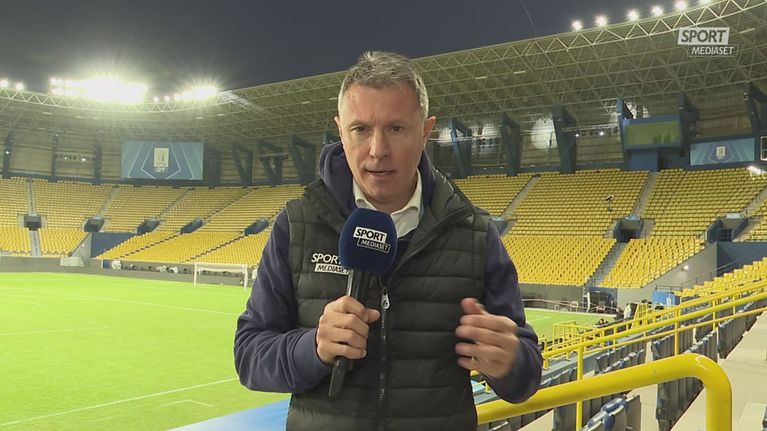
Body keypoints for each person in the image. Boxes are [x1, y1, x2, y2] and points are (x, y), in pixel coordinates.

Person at [234, 51, 542, 431]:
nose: (377, 150)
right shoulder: (297, 224)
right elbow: (249, 356)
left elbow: (526, 376)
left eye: (396, 128)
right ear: (340, 131)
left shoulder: (475, 232)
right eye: (360, 129)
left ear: (425, 132)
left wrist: (511, 362)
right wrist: (312, 347)